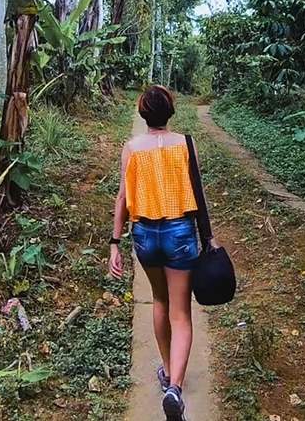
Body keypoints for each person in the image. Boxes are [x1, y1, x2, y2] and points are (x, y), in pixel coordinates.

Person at [108, 85, 217, 421]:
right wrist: (209, 237)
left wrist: (115, 244)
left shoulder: (132, 148)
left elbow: (123, 199)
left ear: (143, 113)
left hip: (144, 235)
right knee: (181, 313)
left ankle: (168, 371)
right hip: (179, 232)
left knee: (159, 301)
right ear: (170, 111)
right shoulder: (185, 143)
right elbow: (197, 192)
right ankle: (175, 388)